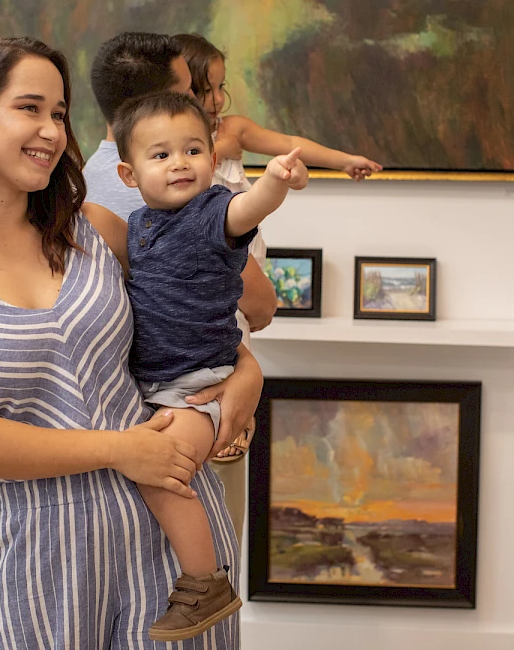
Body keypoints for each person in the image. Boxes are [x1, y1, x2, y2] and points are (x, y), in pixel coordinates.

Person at [0, 35, 259, 648]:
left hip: (176, 551)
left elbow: (213, 310)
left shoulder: (97, 228)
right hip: (38, 566)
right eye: (29, 108)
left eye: (59, 112)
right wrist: (119, 450)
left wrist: (244, 373)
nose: (51, 131)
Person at [112, 91, 307, 639]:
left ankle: (206, 582)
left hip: (200, 383)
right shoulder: (140, 224)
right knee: (153, 470)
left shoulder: (210, 213)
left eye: (193, 150)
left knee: (163, 472)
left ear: (212, 159)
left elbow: (249, 210)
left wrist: (272, 180)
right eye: (161, 155)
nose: (180, 163)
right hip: (158, 383)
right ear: (129, 173)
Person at [83, 32, 275, 543]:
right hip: (202, 403)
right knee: (208, 553)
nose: (205, 104)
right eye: (190, 90)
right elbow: (260, 305)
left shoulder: (79, 187)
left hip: (123, 418)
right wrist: (245, 367)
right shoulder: (184, 193)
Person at [174, 33, 384, 181]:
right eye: (206, 90)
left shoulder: (231, 128)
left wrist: (345, 161)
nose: (218, 99)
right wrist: (221, 149)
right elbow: (182, 169)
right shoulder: (169, 136)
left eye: (220, 87)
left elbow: (289, 142)